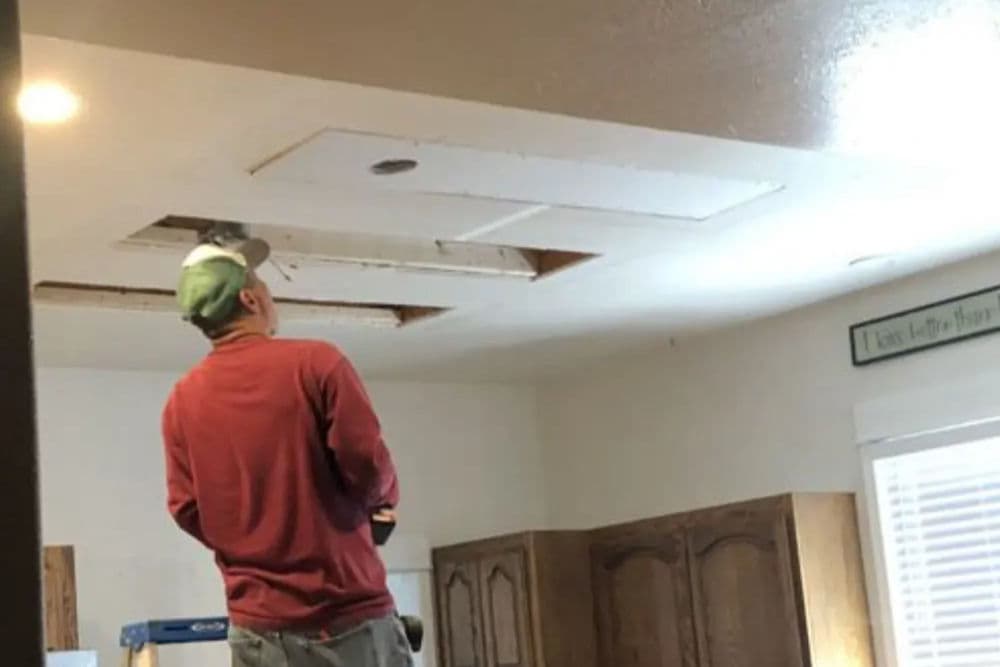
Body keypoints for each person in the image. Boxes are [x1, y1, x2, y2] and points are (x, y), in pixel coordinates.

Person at [161, 240, 412, 667]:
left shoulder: (181, 401)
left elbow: (186, 508)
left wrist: (251, 535)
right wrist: (381, 501)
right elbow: (367, 466)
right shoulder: (316, 364)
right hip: (347, 621)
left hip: (258, 634)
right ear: (250, 297)